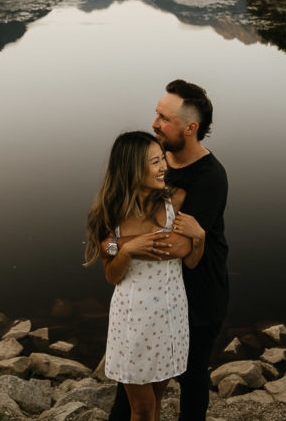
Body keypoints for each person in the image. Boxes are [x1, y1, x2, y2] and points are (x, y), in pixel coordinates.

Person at [107, 80, 230, 421]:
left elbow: (173, 246)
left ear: (190, 128)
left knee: (191, 379)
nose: (155, 123)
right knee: (131, 386)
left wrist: (120, 244)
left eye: (163, 117)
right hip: (151, 298)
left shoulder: (209, 178)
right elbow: (111, 224)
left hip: (199, 292)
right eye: (156, 114)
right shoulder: (153, 158)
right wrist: (113, 243)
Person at [85, 131, 206, 421]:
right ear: (131, 168)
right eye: (155, 161)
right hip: (132, 323)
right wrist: (127, 251)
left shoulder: (175, 200)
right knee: (141, 408)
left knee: (157, 402)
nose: (164, 166)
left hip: (170, 315)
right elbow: (112, 276)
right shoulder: (109, 215)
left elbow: (189, 261)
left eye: (162, 158)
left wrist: (199, 238)